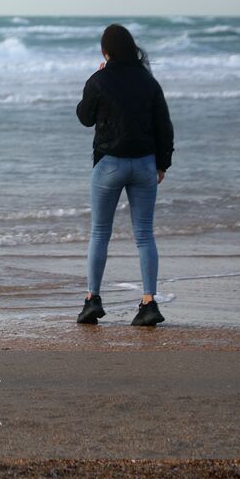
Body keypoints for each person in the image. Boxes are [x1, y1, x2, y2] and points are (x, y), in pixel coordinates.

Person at [75, 24, 174, 327]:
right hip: (144, 164)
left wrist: (96, 77)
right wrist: (162, 164)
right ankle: (148, 302)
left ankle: (92, 299)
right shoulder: (148, 81)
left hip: (110, 164)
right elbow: (164, 125)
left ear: (106, 51)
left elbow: (84, 117)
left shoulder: (100, 79)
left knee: (100, 233)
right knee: (144, 235)